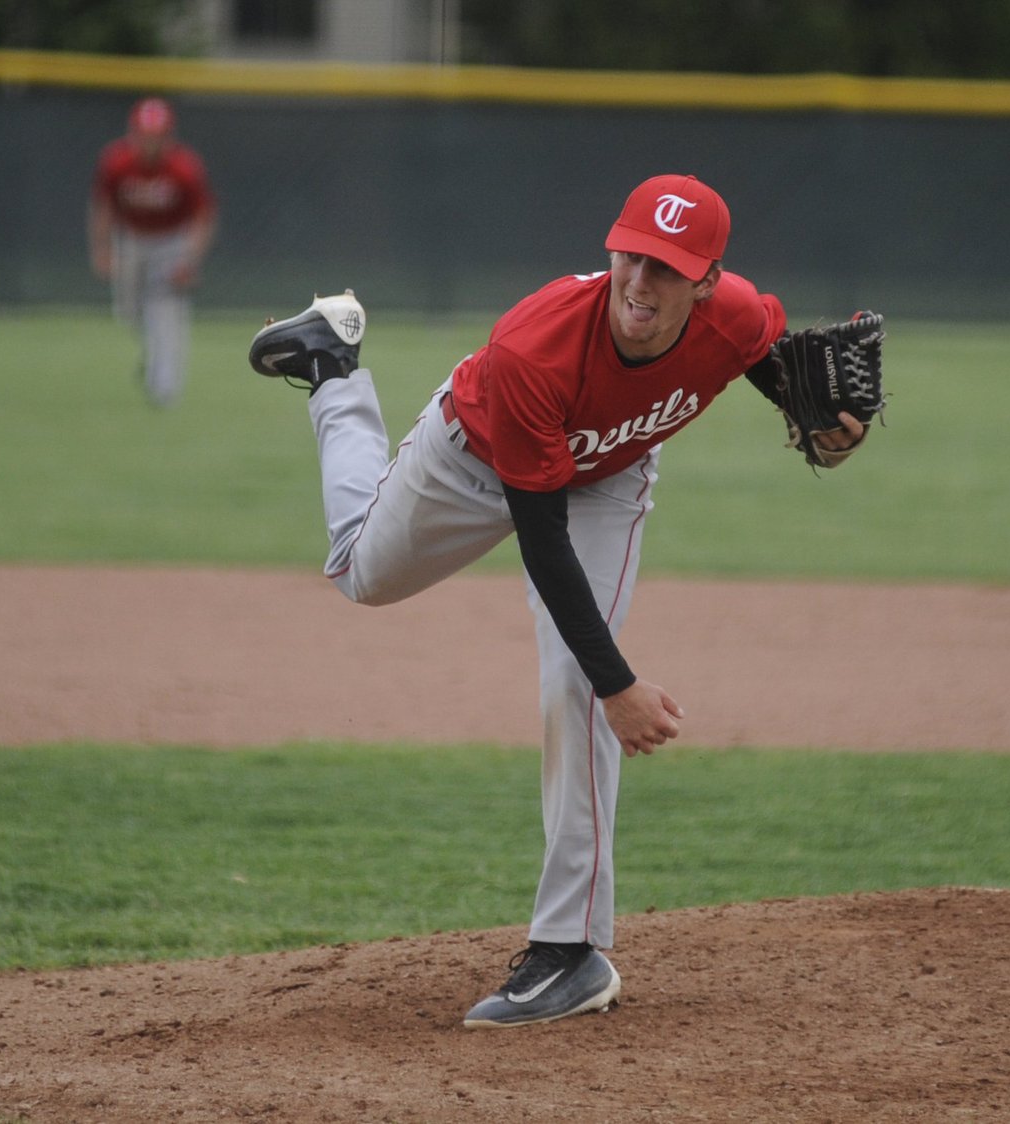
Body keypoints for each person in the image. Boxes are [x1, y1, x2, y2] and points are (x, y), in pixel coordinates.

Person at [247, 174, 868, 1028]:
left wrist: (816, 423)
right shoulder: (533, 348)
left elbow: (762, 354)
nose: (641, 283)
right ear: (613, 248)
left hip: (607, 477)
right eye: (634, 256)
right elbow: (540, 539)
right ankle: (332, 367)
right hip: (475, 454)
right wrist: (621, 684)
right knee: (361, 574)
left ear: (706, 279)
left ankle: (569, 952)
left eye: (669, 268)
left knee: (569, 686)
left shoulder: (738, 314)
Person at [88, 96, 217, 407]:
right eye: (145, 134)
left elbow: (203, 217)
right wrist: (102, 249)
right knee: (129, 311)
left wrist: (190, 259)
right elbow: (103, 208)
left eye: (157, 135)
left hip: (172, 242)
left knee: (166, 309)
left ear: (168, 136)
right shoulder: (116, 161)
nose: (150, 141)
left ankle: (164, 388)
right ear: (133, 133)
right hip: (131, 240)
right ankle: (155, 348)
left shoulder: (184, 168)